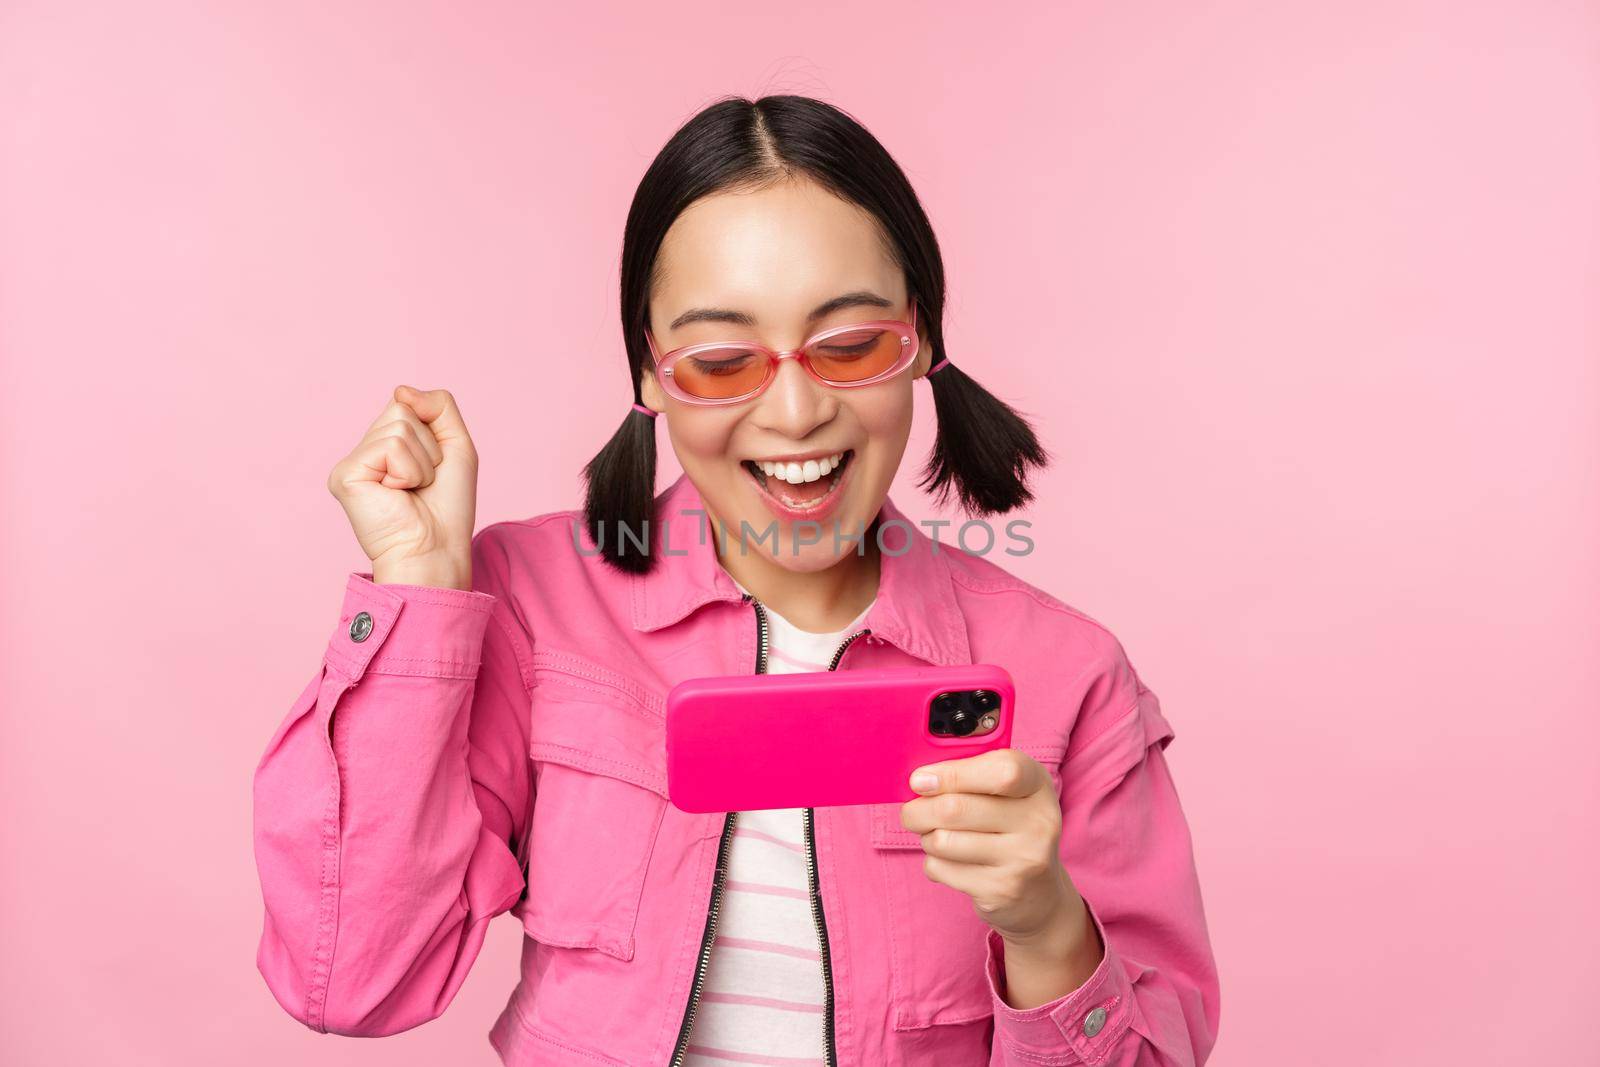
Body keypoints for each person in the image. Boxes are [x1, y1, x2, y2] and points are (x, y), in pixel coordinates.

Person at [252, 94, 1220, 1066]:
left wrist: (1046, 924)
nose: (796, 412)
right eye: (719, 362)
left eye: (850, 345)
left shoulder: (1069, 672)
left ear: (919, 340)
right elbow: (354, 981)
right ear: (648, 370)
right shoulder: (527, 604)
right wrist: (419, 588)